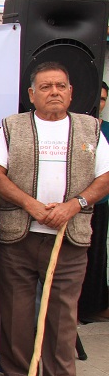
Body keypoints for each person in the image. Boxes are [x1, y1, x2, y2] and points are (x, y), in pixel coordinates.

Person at [0, 61, 109, 376]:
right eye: (45, 87)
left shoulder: (92, 129)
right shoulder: (12, 127)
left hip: (69, 237)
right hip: (20, 234)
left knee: (62, 313)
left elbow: (104, 178)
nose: (53, 92)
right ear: (31, 94)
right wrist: (34, 207)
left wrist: (74, 205)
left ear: (71, 92)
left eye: (60, 86)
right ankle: (17, 373)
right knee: (17, 308)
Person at [78, 80, 109, 323]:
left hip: (99, 203)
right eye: (96, 97)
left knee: (96, 257)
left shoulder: (105, 129)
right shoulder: (78, 126)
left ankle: (93, 306)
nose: (99, 103)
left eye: (103, 99)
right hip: (75, 205)